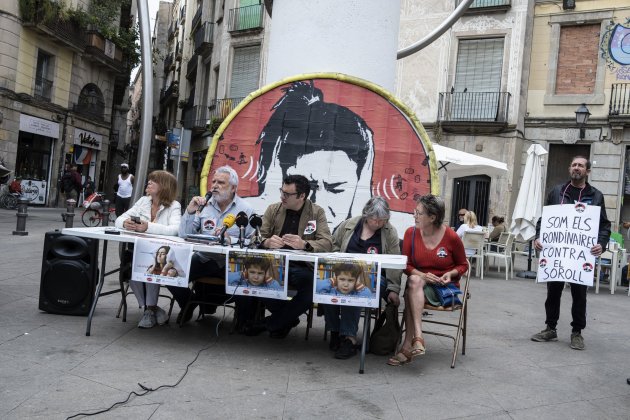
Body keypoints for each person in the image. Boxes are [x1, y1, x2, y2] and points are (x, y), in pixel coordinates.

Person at [531, 156, 611, 351]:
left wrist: (601, 243)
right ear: (569, 169)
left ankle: (577, 332)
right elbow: (545, 220)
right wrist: (538, 237)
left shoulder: (596, 196)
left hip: (580, 257)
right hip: (557, 255)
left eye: (581, 166)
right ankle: (550, 328)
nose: (577, 168)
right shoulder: (556, 192)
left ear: (587, 171)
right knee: (553, 292)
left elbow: (604, 226)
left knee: (579, 295)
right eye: (574, 165)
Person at [242, 174, 333, 339]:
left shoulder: (316, 212)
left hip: (301, 266)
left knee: (313, 285)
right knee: (254, 276)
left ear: (301, 196)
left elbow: (327, 243)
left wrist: (305, 244)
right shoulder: (273, 209)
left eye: (287, 194)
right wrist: (267, 242)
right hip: (274, 264)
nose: (282, 196)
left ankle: (270, 323)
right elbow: (255, 237)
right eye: (281, 191)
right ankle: (286, 320)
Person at [388, 194, 468, 366]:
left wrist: (451, 274)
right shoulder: (411, 233)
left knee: (411, 289)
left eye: (419, 213)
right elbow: (406, 265)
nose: (414, 216)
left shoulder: (451, 237)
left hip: (443, 289)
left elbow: (463, 264)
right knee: (414, 281)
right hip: (420, 284)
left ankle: (408, 345)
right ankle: (418, 338)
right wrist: (422, 275)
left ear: (433, 217)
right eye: (415, 212)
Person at [170, 165, 254, 324]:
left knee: (252, 280)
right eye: (213, 181)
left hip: (232, 262)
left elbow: (253, 242)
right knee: (170, 272)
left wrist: (232, 240)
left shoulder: (246, 209)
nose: (214, 185)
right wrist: (189, 211)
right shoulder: (203, 205)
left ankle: (244, 321)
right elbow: (184, 235)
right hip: (204, 258)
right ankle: (188, 303)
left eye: (221, 182)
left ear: (233, 188)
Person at [323, 196, 402, 359]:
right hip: (344, 271)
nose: (379, 223)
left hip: (374, 277)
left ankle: (349, 338)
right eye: (375, 219)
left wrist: (393, 288)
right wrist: (339, 260)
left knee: (355, 286)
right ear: (366, 215)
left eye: (383, 220)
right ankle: (335, 330)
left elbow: (395, 261)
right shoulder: (349, 225)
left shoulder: (389, 232)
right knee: (325, 285)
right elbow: (334, 244)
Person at [115, 170, 181, 328]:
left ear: (164, 186)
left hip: (162, 253)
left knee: (152, 266)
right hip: (138, 249)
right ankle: (152, 309)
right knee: (131, 267)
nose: (149, 183)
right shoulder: (144, 201)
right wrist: (125, 224)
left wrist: (147, 227)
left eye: (154, 181)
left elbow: (175, 229)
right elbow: (119, 218)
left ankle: (149, 310)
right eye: (149, 180)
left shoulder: (174, 205)